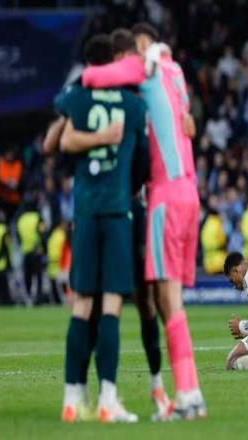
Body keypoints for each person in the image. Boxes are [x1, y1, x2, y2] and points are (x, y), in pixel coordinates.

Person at [82, 23, 206, 420]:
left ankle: (187, 395)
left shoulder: (148, 67)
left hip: (164, 197)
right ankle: (190, 394)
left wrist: (95, 75)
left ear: (143, 47)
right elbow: (186, 119)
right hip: (190, 192)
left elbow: (96, 77)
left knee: (168, 301)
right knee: (170, 302)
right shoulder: (176, 73)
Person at [53, 31, 148, 423]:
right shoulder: (133, 105)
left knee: (81, 305)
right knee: (111, 305)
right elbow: (143, 163)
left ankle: (71, 399)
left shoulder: (77, 98)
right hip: (117, 211)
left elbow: (61, 137)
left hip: (86, 212)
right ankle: (108, 399)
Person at [17, 193, 46, 305]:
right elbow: (43, 234)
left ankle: (28, 298)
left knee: (27, 276)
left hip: (25, 252)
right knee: (38, 276)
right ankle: (38, 298)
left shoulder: (21, 219)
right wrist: (44, 249)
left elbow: (18, 237)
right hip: (37, 251)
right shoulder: (38, 218)